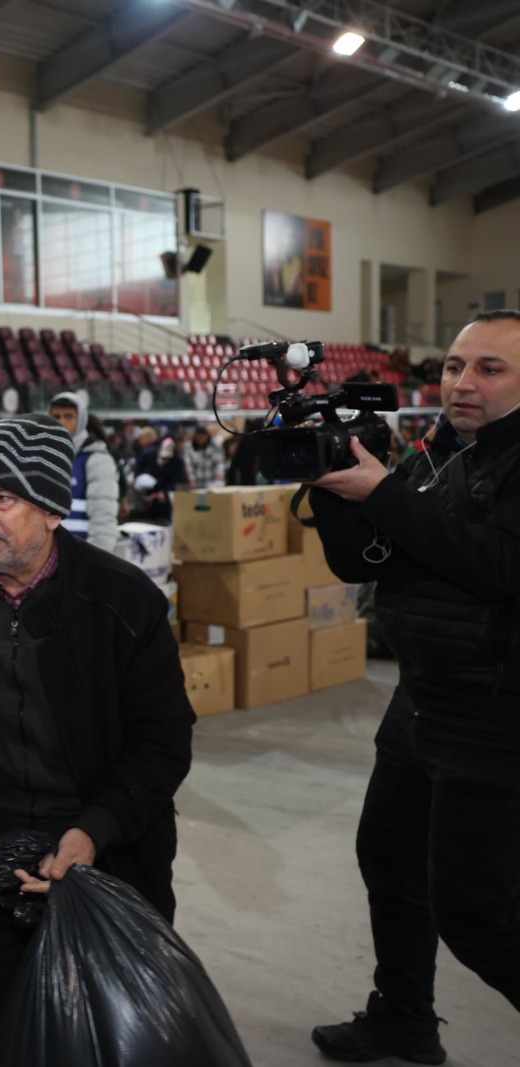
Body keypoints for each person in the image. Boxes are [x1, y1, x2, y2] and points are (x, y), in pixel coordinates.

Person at [0, 415, 195, 1064]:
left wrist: (93, 831)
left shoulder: (123, 602)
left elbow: (164, 741)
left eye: (2, 499)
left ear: (49, 511)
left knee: (97, 1043)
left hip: (106, 858)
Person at [306, 310, 520, 1064]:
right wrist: (334, 486)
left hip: (494, 712)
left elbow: (495, 565)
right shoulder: (438, 451)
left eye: (489, 368)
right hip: (421, 696)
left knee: (478, 911)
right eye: (455, 365)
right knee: (389, 859)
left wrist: (386, 493)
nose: (463, 382)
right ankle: (404, 1018)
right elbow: (369, 562)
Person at [49, 392, 120, 553]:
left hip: (81, 553)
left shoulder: (96, 458)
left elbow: (104, 515)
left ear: (80, 420)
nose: (61, 422)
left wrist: (98, 557)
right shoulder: (42, 456)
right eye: (56, 416)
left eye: (69, 416)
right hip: (46, 556)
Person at [183, 423, 227, 490]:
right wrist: (192, 479)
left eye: (203, 437)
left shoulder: (215, 448)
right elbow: (188, 465)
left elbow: (220, 463)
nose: (201, 439)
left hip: (212, 482)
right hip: (197, 482)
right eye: (198, 437)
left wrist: (220, 475)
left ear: (207, 436)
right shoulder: (189, 449)